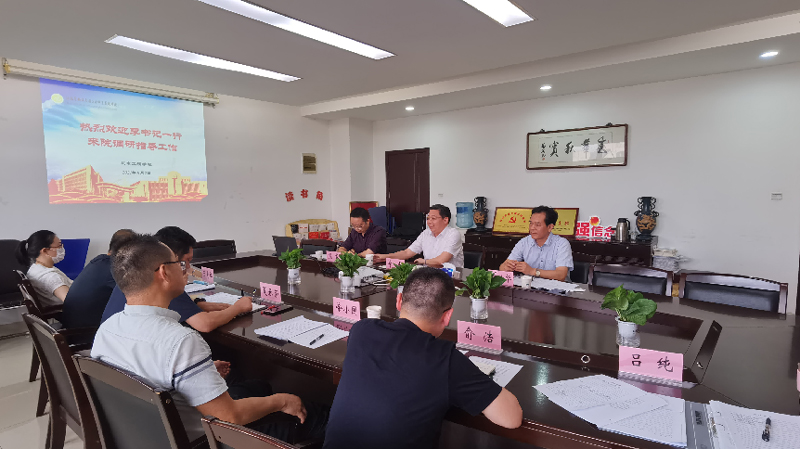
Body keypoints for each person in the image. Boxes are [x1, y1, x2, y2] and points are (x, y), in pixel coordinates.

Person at [91, 234, 327, 442]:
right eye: (179, 264)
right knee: (319, 414)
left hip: (145, 433)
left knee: (258, 386)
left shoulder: (106, 330)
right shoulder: (180, 341)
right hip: (204, 438)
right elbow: (230, 416)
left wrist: (195, 371)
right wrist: (283, 401)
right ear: (164, 272)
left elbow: (147, 367)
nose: (185, 269)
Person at [323, 268, 521, 449]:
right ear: (447, 316)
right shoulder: (445, 359)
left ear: (399, 301)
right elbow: (511, 418)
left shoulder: (361, 331)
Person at [101, 226, 252, 332]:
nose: (188, 267)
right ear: (168, 261)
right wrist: (238, 308)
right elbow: (205, 324)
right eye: (186, 261)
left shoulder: (135, 275)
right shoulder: (163, 285)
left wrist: (198, 305)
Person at [62, 229, 136, 328]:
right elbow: (133, 296)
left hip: (72, 325)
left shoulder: (99, 261)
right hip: (84, 332)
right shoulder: (114, 269)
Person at [374, 205, 464, 268]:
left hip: (450, 277)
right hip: (429, 274)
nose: (429, 222)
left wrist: (424, 261)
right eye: (428, 218)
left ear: (445, 220)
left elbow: (442, 260)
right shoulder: (426, 233)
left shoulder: (453, 234)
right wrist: (383, 257)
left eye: (433, 218)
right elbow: (407, 253)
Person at [498, 206, 573, 281]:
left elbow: (561, 275)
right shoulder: (524, 242)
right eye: (531, 223)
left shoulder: (562, 244)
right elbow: (502, 267)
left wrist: (532, 271)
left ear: (550, 227)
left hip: (557, 287)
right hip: (531, 286)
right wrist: (506, 267)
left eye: (537, 225)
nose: (532, 228)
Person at [16, 230, 71, 306]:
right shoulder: (50, 277)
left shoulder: (35, 268)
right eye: (59, 246)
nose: (62, 248)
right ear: (45, 251)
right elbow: (74, 301)